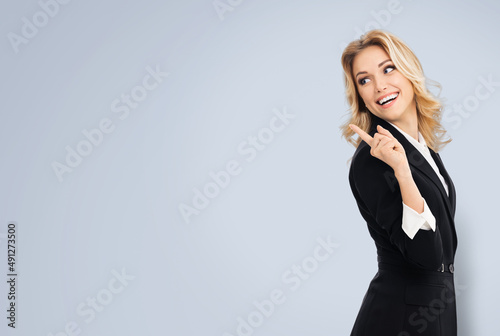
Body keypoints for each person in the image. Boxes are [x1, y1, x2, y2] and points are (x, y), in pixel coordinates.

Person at [340, 29, 458, 336]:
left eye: (388, 68)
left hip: (432, 312)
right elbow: (426, 257)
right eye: (364, 80)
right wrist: (403, 173)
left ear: (409, 71)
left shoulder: (422, 149)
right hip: (399, 319)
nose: (380, 86)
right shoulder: (373, 159)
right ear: (361, 96)